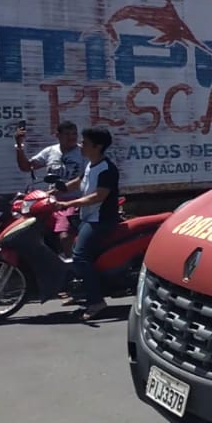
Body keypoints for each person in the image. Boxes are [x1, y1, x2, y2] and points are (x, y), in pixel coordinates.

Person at [53, 126, 120, 321]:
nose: (80, 145)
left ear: (97, 146)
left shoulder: (107, 169)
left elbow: (98, 196)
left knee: (80, 256)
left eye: (85, 142)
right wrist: (55, 191)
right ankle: (81, 292)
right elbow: (79, 181)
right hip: (87, 217)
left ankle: (96, 301)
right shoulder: (92, 164)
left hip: (101, 220)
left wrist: (68, 203)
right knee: (68, 244)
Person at [15, 120, 84, 256]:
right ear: (58, 135)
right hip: (51, 202)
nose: (71, 137)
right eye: (67, 134)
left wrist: (56, 190)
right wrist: (19, 145)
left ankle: (73, 265)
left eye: (74, 134)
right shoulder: (50, 151)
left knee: (65, 237)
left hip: (73, 202)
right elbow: (26, 166)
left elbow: (82, 179)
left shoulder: (83, 152)